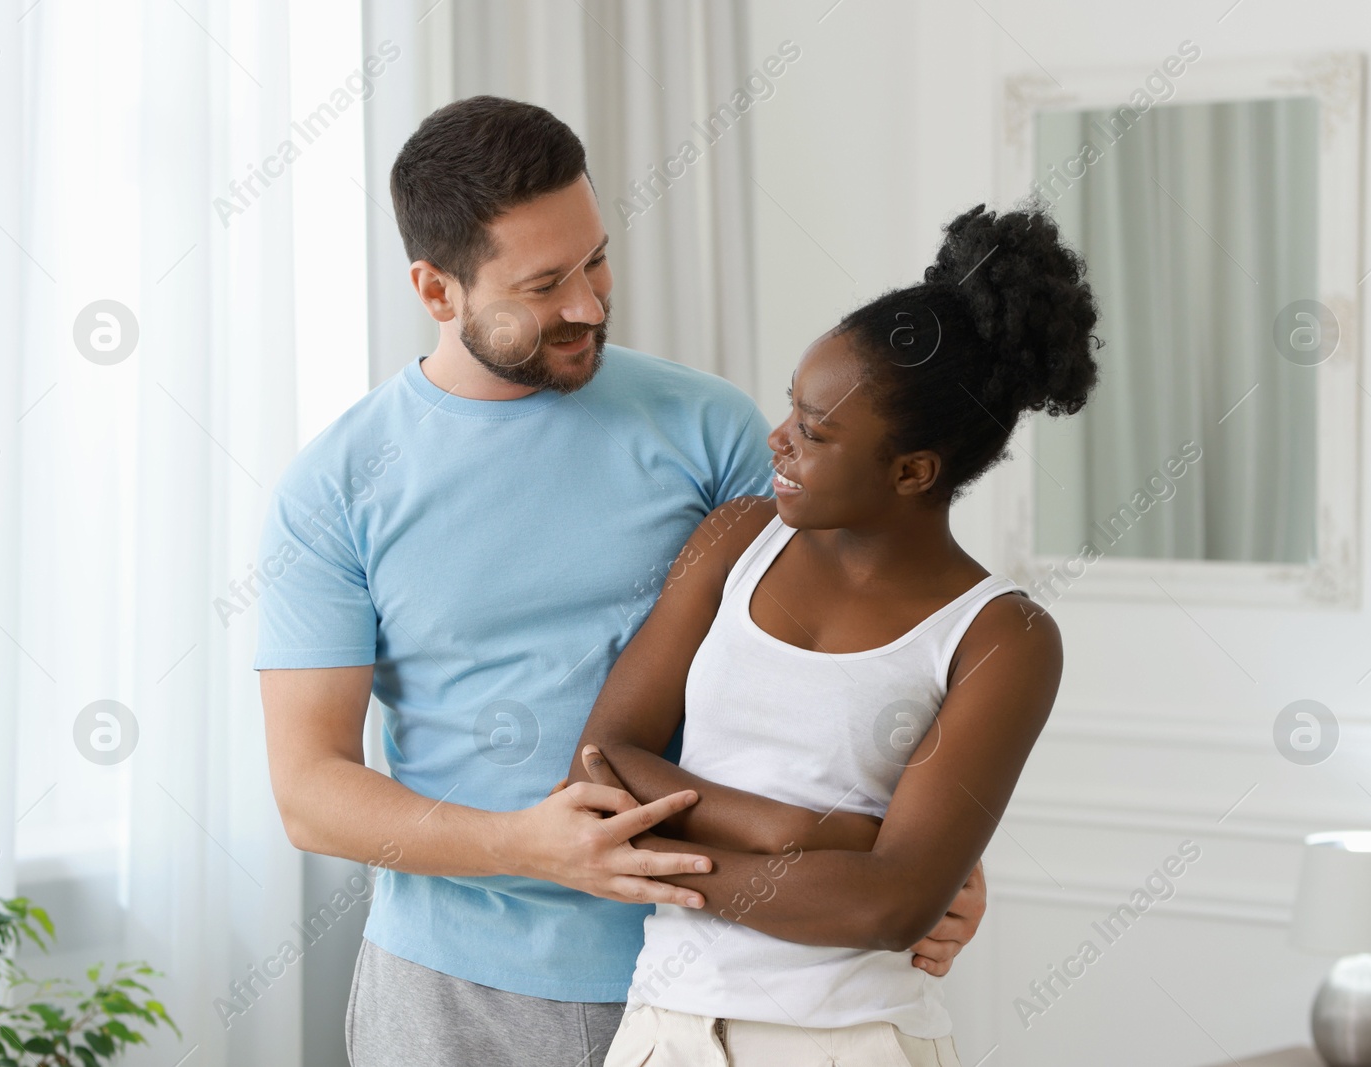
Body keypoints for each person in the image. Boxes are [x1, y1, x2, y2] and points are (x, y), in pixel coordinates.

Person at [255, 95, 985, 1066]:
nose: (589, 304)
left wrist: (934, 851)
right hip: (445, 998)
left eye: (596, 258)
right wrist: (526, 843)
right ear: (438, 291)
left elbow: (855, 647)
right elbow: (311, 790)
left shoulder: (711, 430)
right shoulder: (336, 484)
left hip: (717, 974)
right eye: (545, 282)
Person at [568, 202, 1102, 1066]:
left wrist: (659, 848)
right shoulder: (734, 538)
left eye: (814, 432)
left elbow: (889, 908)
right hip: (665, 1029)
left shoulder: (1003, 636)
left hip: (855, 1041)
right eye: (792, 407)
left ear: (912, 471)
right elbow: (596, 763)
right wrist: (808, 835)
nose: (778, 438)